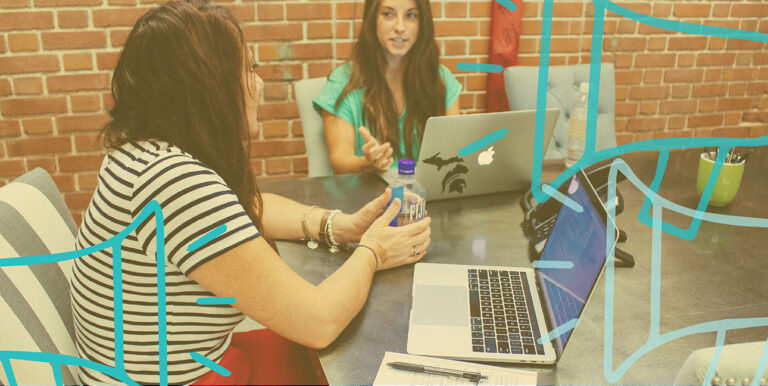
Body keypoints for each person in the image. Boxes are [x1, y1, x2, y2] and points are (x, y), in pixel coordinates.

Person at [69, 1, 431, 384]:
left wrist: (339, 226)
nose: (259, 83)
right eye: (248, 69)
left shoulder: (143, 153)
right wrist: (373, 251)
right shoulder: (177, 184)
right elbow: (319, 321)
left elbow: (249, 208)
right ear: (208, 87)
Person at [313, 0, 462, 174]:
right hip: (365, 195)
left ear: (423, 24)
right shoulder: (342, 82)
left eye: (411, 15)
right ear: (372, 20)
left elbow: (454, 149)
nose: (400, 27)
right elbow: (339, 159)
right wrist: (367, 162)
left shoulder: (441, 79)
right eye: (388, 14)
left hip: (423, 195)